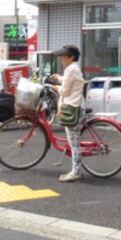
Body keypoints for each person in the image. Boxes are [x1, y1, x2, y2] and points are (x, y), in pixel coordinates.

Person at [50, 45, 85, 182]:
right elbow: (69, 82)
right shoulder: (73, 68)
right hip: (77, 106)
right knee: (74, 140)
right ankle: (76, 170)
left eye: (64, 56)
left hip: (72, 108)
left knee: (74, 143)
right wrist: (59, 78)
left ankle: (76, 172)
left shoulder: (71, 70)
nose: (61, 59)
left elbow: (65, 91)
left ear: (71, 57)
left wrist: (57, 87)